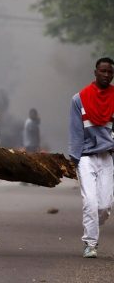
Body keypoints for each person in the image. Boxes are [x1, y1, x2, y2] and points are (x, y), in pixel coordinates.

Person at [69, 57, 114, 258]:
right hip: (86, 157)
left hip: (107, 157)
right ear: (95, 72)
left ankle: (95, 222)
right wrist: (74, 158)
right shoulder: (79, 99)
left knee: (104, 206)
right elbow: (75, 131)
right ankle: (90, 243)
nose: (106, 75)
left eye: (109, 72)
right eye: (102, 71)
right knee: (90, 202)